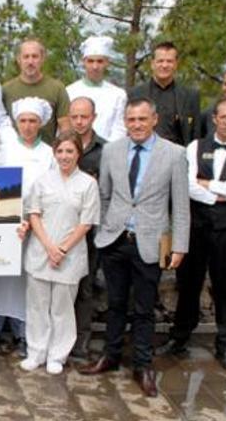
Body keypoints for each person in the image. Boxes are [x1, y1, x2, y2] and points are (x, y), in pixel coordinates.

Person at [80, 97, 190, 398]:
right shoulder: (113, 150)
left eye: (142, 119)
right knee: (114, 303)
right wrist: (103, 229)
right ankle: (111, 356)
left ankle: (142, 365)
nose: (137, 125)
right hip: (115, 240)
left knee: (144, 309)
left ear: (154, 119)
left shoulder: (175, 154)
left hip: (150, 242)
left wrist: (179, 245)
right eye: (131, 119)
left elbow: (180, 205)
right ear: (125, 121)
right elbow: (104, 195)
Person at [157, 98, 226, 375]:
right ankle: (179, 337)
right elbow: (188, 185)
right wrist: (221, 194)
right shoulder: (195, 147)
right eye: (222, 116)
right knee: (188, 283)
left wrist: (208, 186)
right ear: (214, 118)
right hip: (196, 226)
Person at [20, 131, 100, 375]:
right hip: (41, 250)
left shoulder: (88, 183)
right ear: (54, 153)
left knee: (62, 308)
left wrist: (62, 249)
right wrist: (49, 247)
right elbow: (33, 213)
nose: (64, 156)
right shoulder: (42, 181)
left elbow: (86, 223)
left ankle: (58, 355)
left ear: (78, 153)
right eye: (60, 151)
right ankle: (36, 351)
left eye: (70, 151)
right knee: (37, 305)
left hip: (70, 255)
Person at [0, 97, 56, 358]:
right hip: (5, 222)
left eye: (33, 121)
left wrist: (32, 219)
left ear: (40, 124)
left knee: (26, 281)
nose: (27, 126)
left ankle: (23, 333)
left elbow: (50, 189)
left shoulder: (49, 153)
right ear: (16, 123)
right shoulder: (3, 149)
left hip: (36, 225)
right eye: (23, 121)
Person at [67, 97, 107, 359]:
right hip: (61, 226)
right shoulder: (62, 146)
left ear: (93, 117)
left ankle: (80, 341)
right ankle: (59, 337)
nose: (80, 121)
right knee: (60, 286)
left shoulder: (106, 151)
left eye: (85, 116)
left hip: (90, 228)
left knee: (85, 285)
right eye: (75, 116)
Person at [129, 41, 200, 146]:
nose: (165, 65)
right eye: (160, 61)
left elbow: (195, 133)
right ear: (152, 64)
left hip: (178, 155)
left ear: (176, 64)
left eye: (169, 61)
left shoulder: (190, 96)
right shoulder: (136, 93)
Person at [3, 38, 71, 142]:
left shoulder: (57, 88)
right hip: (13, 153)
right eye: (26, 57)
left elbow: (65, 126)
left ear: (42, 59)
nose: (30, 62)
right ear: (19, 59)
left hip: (47, 153)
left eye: (35, 57)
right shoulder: (6, 90)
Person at [66, 36, 127, 142]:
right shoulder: (69, 92)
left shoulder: (118, 94)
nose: (95, 66)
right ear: (83, 62)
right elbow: (66, 126)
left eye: (99, 61)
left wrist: (106, 150)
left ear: (107, 63)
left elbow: (119, 129)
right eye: (90, 61)